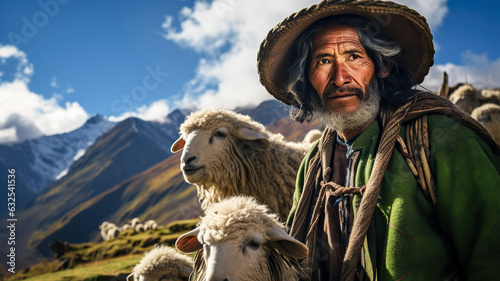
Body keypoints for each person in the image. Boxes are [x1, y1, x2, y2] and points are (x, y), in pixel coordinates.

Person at [257, 1, 500, 280]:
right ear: (307, 78)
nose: (339, 78)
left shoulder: (442, 139)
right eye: (323, 61)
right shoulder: (313, 163)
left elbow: (491, 256)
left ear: (382, 66)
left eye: (354, 57)